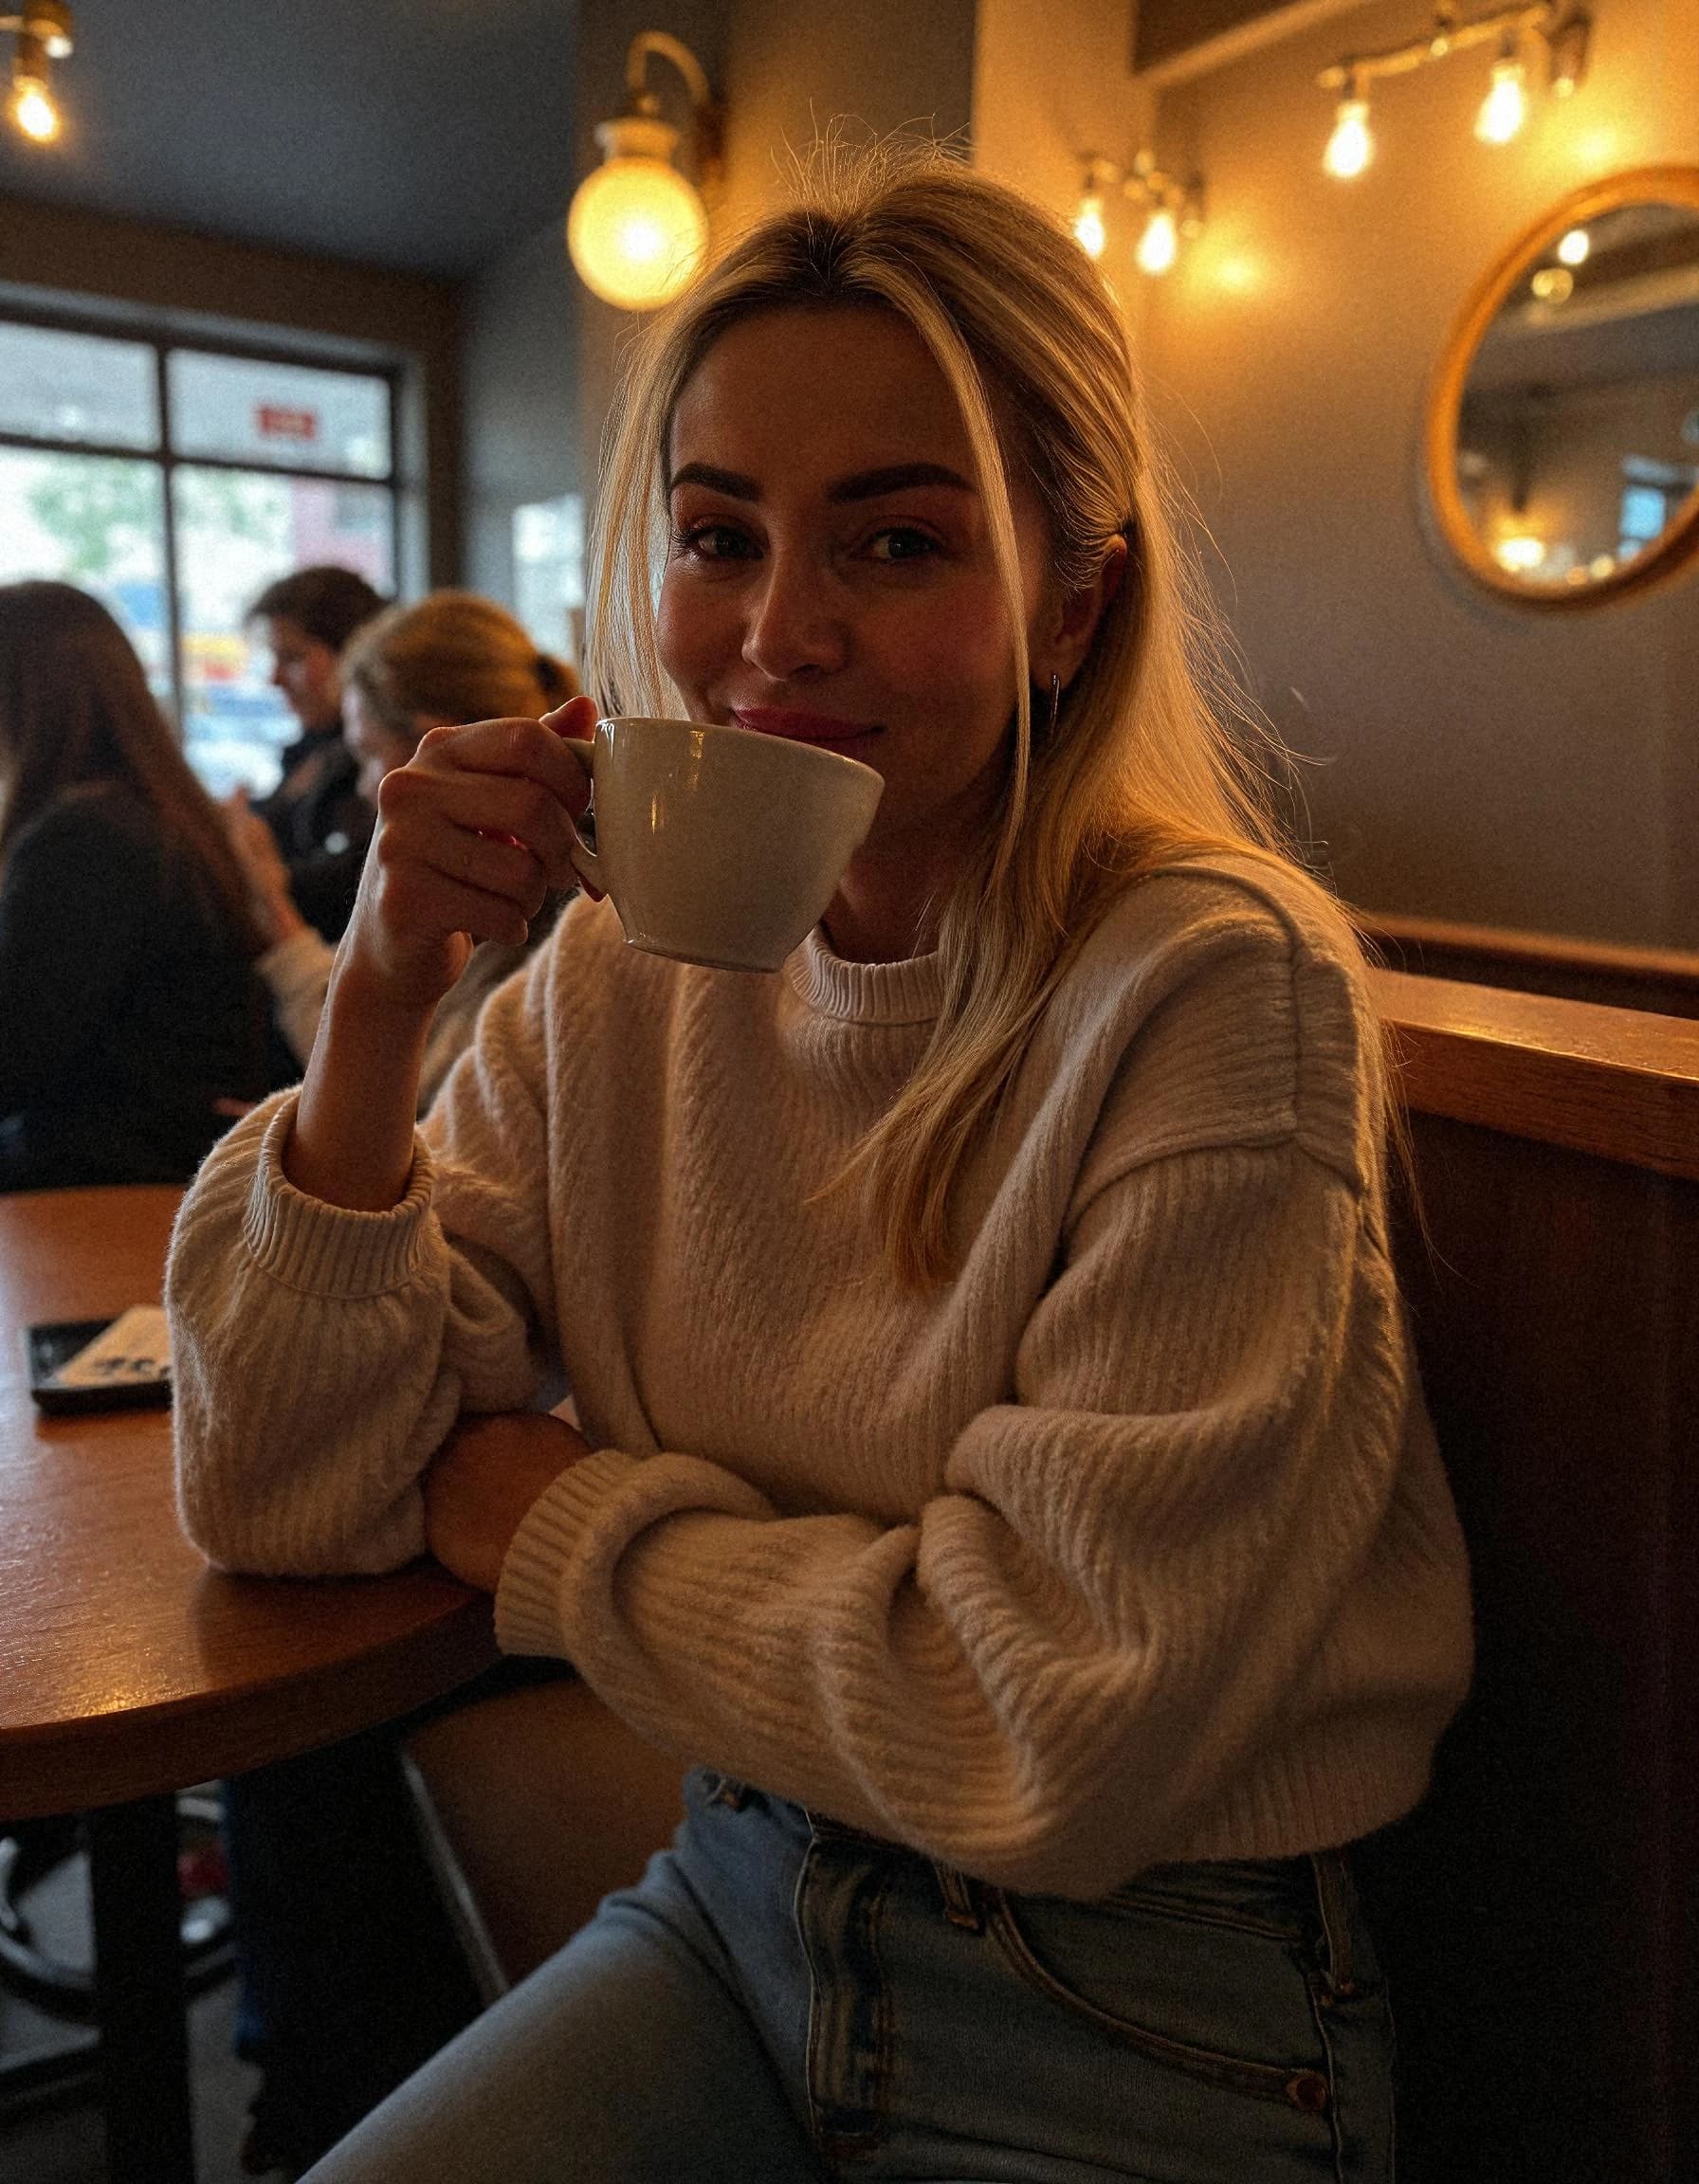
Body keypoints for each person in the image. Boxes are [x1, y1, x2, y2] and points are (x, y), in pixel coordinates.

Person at [170, 147, 1473, 2184]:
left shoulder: (1215, 991)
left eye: (891, 545)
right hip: (736, 1899)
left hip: (1139, 2015)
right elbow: (283, 1488)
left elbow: (1034, 1731)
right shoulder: (610, 980)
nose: (774, 633)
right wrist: (375, 1015)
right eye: (716, 536)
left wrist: (546, 1516)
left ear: (1069, 599)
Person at [230, 591, 578, 1105]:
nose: (365, 787)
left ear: (431, 745)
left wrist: (272, 902)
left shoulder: (534, 920)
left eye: (368, 755)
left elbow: (406, 1102)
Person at [0, 580, 279, 1193]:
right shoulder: (154, 814)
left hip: (107, 1179)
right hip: (162, 1165)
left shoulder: (83, 838)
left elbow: (14, 1062)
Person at [246, 565, 386, 942]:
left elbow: (348, 890)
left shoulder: (377, 766)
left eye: (291, 658)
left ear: (352, 653)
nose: (274, 679)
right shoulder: (311, 752)